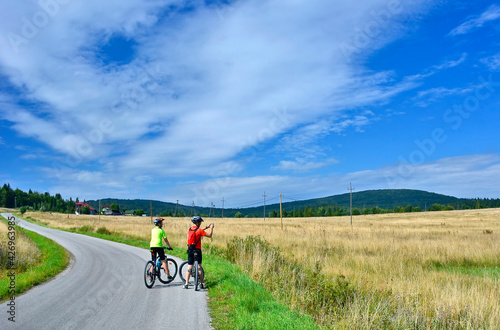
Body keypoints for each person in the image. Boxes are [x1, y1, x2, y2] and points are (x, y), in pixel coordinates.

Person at [183, 215, 214, 289]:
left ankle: (186, 284)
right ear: (197, 222)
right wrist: (211, 228)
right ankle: (201, 283)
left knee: (189, 267)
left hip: (190, 249)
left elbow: (197, 230)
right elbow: (209, 235)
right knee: (199, 267)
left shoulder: (189, 229)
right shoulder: (200, 231)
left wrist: (206, 227)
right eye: (199, 222)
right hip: (197, 250)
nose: (200, 223)